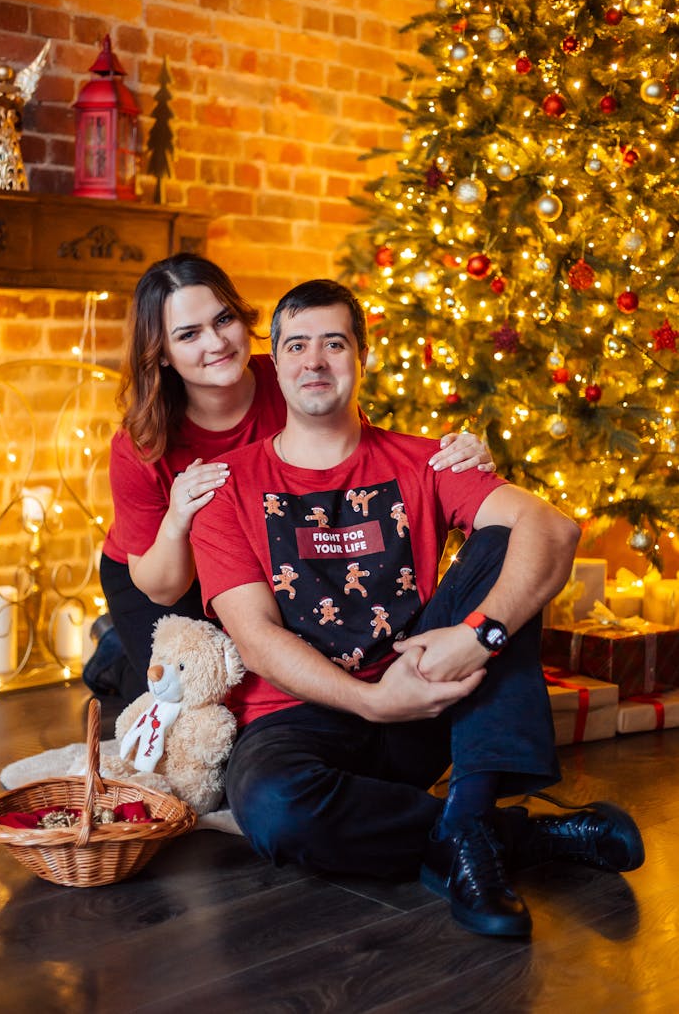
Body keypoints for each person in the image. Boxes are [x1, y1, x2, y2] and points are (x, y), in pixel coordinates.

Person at [189, 278, 644, 940]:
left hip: (426, 686)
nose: (315, 360)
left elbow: (555, 529)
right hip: (298, 720)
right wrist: (372, 701)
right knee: (273, 809)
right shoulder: (230, 489)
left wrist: (477, 635)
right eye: (297, 345)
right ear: (277, 364)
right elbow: (256, 638)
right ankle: (494, 833)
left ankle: (466, 813)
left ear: (362, 359)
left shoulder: (427, 459)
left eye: (334, 343)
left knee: (510, 536)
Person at [95, 254, 494, 703]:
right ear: (162, 354)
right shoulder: (141, 443)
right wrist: (178, 516)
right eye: (189, 335)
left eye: (223, 319)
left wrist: (462, 455)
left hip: (252, 564)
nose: (216, 343)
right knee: (183, 697)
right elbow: (163, 588)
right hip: (162, 573)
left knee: (267, 674)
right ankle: (116, 652)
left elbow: (355, 469)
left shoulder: (296, 373)